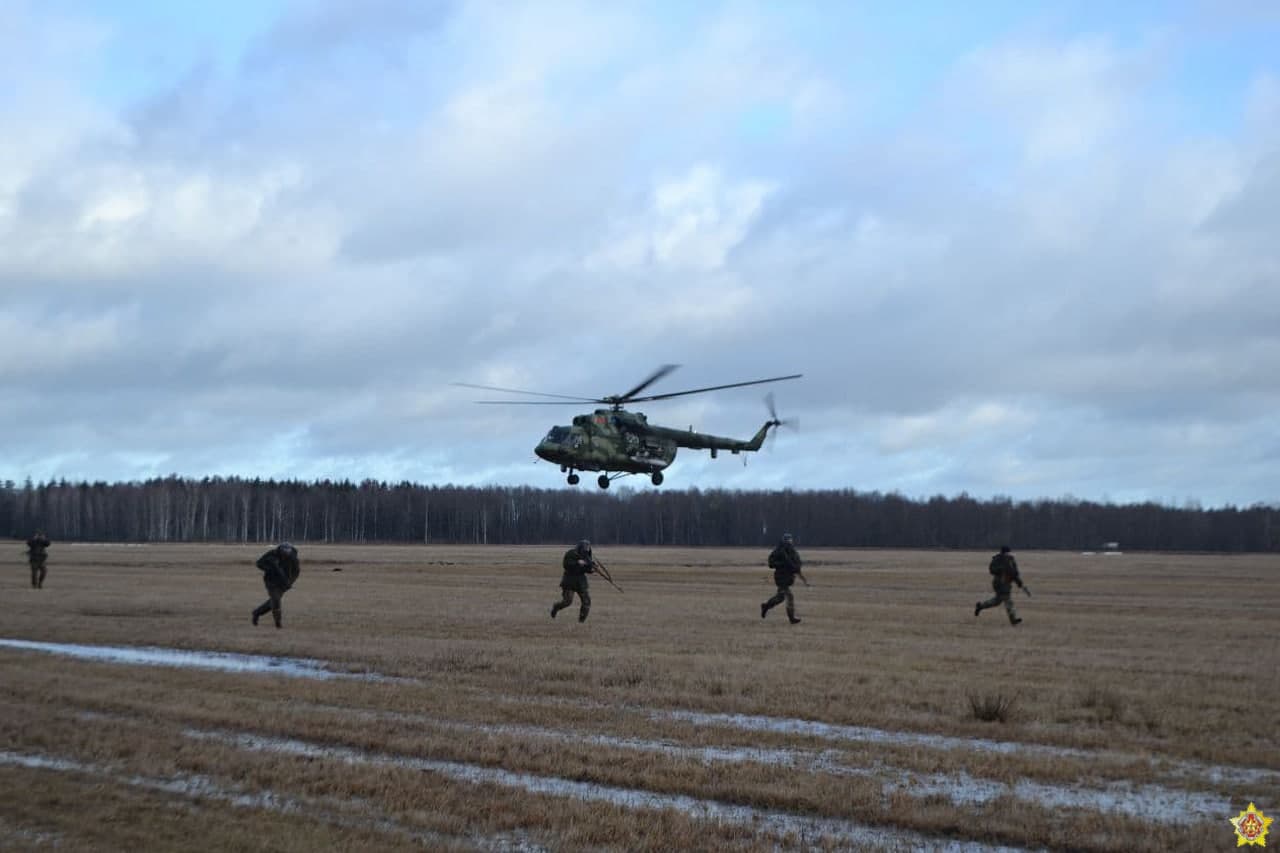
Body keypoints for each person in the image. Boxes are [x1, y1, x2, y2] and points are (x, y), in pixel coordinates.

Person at [761, 532, 807, 624]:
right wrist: (783, 565)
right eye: (787, 540)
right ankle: (792, 618)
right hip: (781, 577)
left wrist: (797, 570)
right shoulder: (778, 551)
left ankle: (766, 606)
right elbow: (771, 564)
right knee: (789, 597)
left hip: (789, 577)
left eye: (790, 539)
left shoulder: (793, 551)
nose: (789, 541)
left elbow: (797, 563)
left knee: (780, 597)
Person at [975, 545, 1028, 625]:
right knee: (1008, 600)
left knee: (997, 601)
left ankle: (980, 606)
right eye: (1007, 553)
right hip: (999, 583)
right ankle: (1013, 619)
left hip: (1007, 583)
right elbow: (992, 570)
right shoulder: (997, 559)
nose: (1008, 554)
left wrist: (1019, 583)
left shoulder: (1011, 560)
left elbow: (1014, 574)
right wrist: (1001, 570)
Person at [252, 542, 301, 628]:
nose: (286, 552)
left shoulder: (293, 557)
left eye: (288, 550)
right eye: (284, 550)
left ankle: (257, 612)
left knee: (273, 601)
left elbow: (296, 572)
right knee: (276, 599)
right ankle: (278, 623)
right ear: (280, 549)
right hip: (271, 581)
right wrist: (270, 569)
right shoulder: (272, 554)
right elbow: (259, 563)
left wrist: (290, 582)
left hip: (284, 583)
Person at [551, 539, 594, 622]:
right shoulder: (571, 553)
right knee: (567, 602)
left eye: (588, 548)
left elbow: (587, 568)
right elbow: (566, 564)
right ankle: (555, 607)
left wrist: (591, 569)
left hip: (581, 582)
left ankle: (581, 621)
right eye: (585, 547)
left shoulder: (587, 556)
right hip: (569, 581)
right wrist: (577, 562)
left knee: (586, 601)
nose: (586, 549)